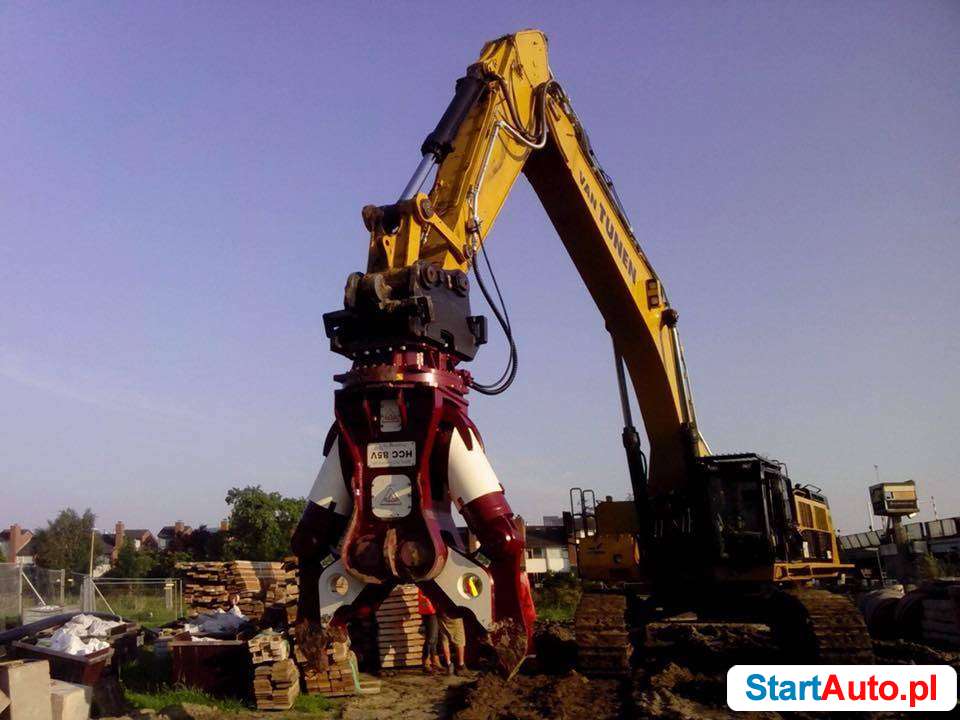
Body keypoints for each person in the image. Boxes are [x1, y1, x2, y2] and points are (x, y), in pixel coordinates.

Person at [417, 588, 440, 674]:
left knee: (435, 638)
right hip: (429, 610)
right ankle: (426, 662)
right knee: (431, 638)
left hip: (430, 610)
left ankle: (435, 661)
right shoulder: (426, 583)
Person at [438, 610, 467, 675]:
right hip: (454, 613)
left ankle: (449, 665)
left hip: (442, 613)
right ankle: (461, 665)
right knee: (460, 639)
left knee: (445, 639)